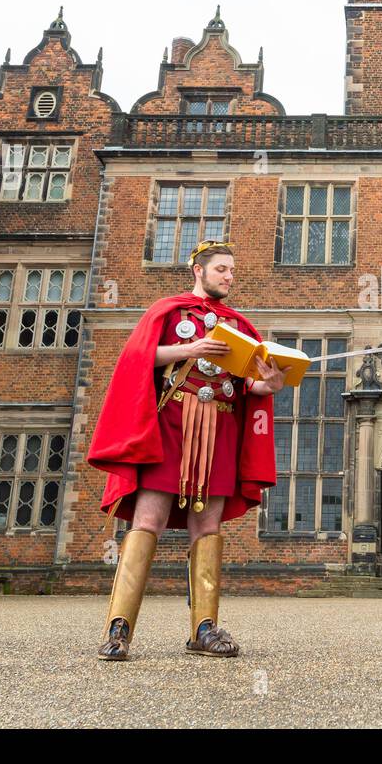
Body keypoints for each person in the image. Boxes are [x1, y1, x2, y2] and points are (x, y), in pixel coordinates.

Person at [87, 241, 284, 661]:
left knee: (208, 526)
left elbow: (250, 386)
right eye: (222, 270)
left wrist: (271, 383)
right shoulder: (170, 312)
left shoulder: (241, 327)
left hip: (221, 430)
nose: (230, 277)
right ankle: (118, 628)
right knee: (148, 519)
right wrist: (189, 350)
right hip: (171, 427)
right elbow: (139, 357)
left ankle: (204, 628)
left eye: (232, 271)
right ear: (199, 271)